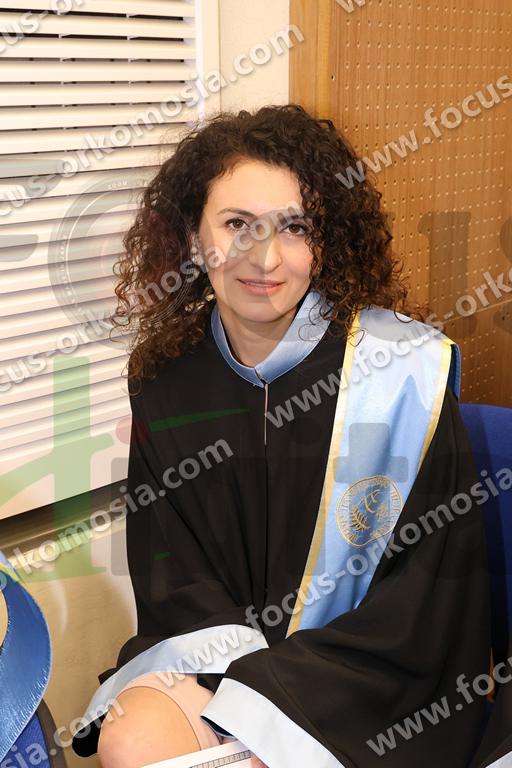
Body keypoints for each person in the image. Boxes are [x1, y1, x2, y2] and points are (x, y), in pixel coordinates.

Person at [71, 104, 500, 767]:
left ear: (324, 242)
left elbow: (428, 597)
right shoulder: (165, 381)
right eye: (237, 224)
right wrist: (239, 685)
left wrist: (268, 707)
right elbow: (172, 572)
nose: (265, 258)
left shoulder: (402, 373)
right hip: (218, 656)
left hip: (375, 682)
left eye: (294, 227)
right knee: (131, 736)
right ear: (193, 238)